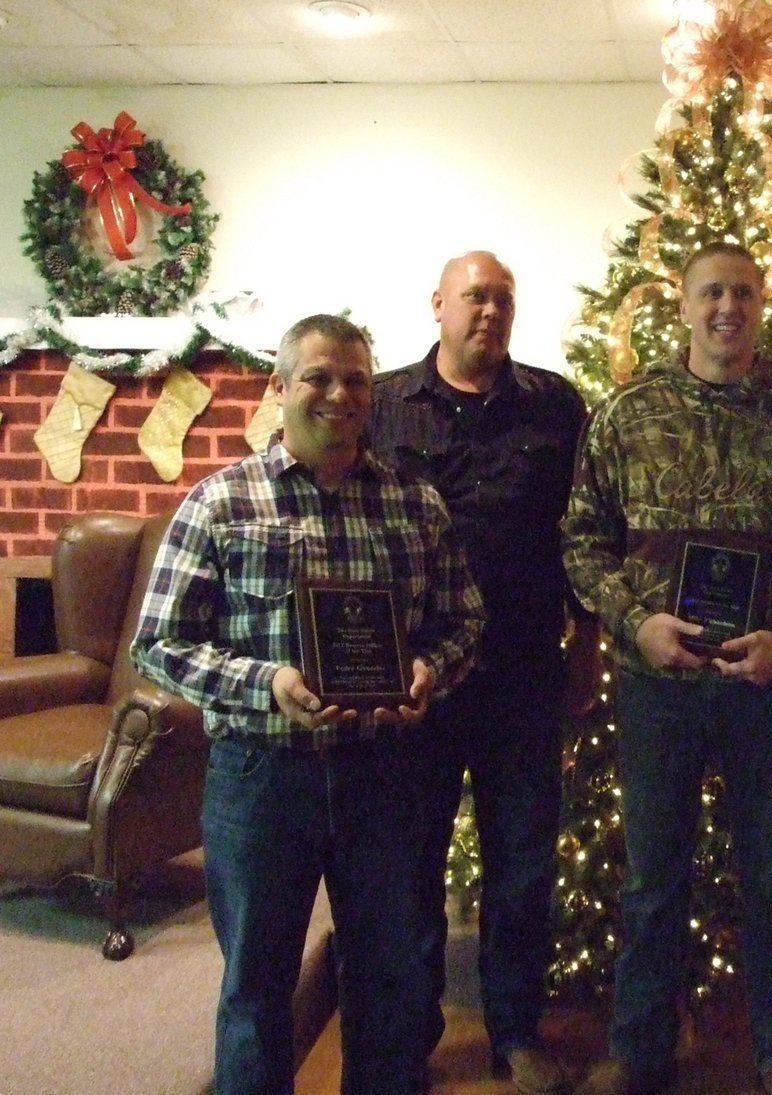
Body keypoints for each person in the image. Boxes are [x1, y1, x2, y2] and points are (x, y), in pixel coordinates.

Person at [130, 313, 485, 1095]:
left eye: (355, 379)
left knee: (390, 977)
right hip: (262, 779)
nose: (339, 394)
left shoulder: (414, 503)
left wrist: (428, 669)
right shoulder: (219, 503)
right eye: (319, 376)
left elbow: (465, 619)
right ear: (280, 387)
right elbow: (157, 643)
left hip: (386, 777)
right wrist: (268, 684)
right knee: (257, 985)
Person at [561, 241, 772, 1095]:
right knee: (652, 880)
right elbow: (582, 542)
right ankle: (639, 1050)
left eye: (742, 291)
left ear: (760, 303)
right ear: (685, 303)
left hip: (761, 686)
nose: (727, 307)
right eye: (711, 292)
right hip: (656, 683)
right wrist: (635, 622)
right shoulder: (627, 414)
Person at [368, 251, 599, 1095]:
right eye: (475, 296)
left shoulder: (556, 405)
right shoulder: (384, 402)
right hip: (417, 678)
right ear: (438, 305)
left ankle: (516, 1034)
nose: (490, 311)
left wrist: (591, 641)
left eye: (503, 298)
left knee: (522, 863)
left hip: (525, 674)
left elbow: (586, 529)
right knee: (410, 861)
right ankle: (414, 1036)